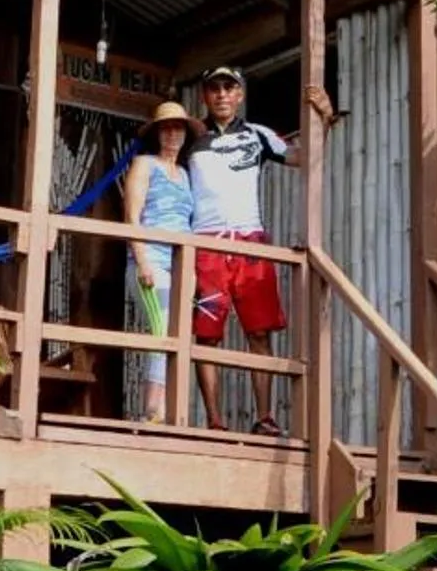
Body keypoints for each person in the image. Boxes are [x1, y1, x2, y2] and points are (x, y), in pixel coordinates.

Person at [185, 64, 334, 432]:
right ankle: (214, 421)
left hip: (251, 243)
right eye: (214, 88)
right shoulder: (192, 136)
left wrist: (325, 121)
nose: (221, 95)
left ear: (240, 94)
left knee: (259, 332)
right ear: (205, 95)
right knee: (207, 334)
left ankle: (264, 417)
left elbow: (304, 159)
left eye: (229, 87)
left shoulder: (257, 135)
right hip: (206, 242)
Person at [120, 100, 197, 423]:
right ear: (157, 133)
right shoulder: (144, 164)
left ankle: (168, 410)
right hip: (150, 257)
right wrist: (142, 260)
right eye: (166, 127)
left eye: (177, 127)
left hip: (180, 264)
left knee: (179, 333)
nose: (172, 133)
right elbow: (132, 215)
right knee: (163, 329)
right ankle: (153, 410)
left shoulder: (185, 174)